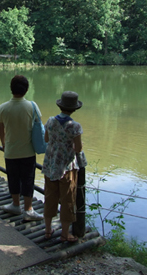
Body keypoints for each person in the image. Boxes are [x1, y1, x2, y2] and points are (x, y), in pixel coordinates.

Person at [0, 75, 44, 221]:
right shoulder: (32, 106)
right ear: (26, 89)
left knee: (13, 178)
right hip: (28, 151)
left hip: (10, 151)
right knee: (28, 179)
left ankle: (16, 205)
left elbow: (1, 129)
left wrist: (4, 144)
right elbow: (39, 126)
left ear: (11, 89)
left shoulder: (3, 107)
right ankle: (28, 209)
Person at [42, 91, 84, 243]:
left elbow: (46, 138)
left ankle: (47, 231)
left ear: (60, 106)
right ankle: (65, 234)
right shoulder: (75, 126)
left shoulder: (51, 121)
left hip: (50, 165)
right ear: (74, 109)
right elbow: (78, 149)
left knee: (49, 197)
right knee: (67, 200)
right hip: (67, 168)